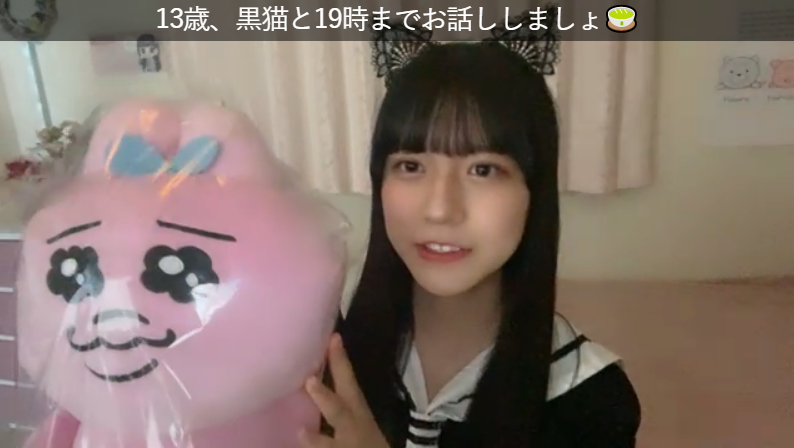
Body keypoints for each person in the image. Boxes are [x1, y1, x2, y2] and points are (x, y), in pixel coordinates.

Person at [299, 10, 641, 448]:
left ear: (534, 190)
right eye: (411, 166)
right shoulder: (322, 328)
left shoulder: (592, 402)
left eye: (483, 169)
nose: (440, 209)